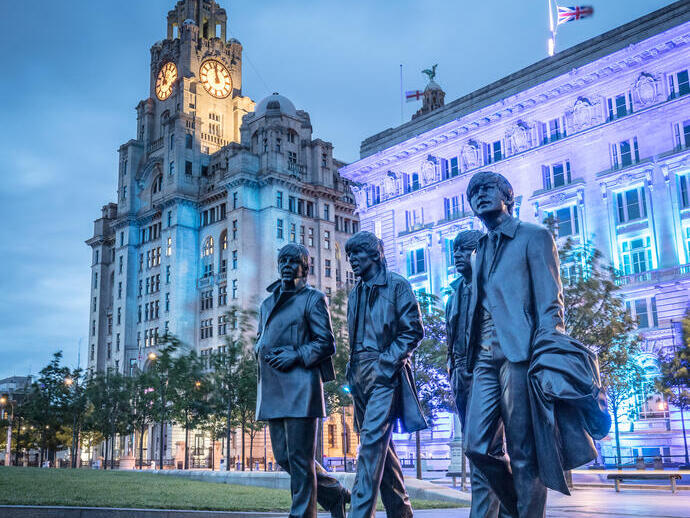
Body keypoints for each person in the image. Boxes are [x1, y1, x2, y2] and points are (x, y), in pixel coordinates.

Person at [463, 170, 555, 518]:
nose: (480, 196)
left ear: (508, 196)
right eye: (473, 193)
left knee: (523, 449)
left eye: (487, 189)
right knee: (476, 444)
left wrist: (546, 354)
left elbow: (550, 304)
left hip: (521, 353)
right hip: (484, 356)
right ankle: (517, 509)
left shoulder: (534, 237)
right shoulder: (479, 251)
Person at [256, 244, 350, 518]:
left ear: (305, 267)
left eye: (293, 261)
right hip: (273, 389)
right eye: (282, 260)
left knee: (300, 460)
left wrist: (295, 355)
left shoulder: (313, 298)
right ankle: (335, 494)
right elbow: (263, 336)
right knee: (285, 458)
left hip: (300, 388)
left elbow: (326, 343)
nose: (286, 265)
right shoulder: (267, 303)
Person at [345, 231, 427, 518]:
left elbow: (413, 330)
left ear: (376, 254)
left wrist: (386, 363)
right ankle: (401, 514)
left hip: (385, 373)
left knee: (369, 445)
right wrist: (352, 373)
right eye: (350, 255)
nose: (352, 260)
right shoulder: (355, 292)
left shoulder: (397, 285)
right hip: (359, 376)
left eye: (358, 254)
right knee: (382, 447)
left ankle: (358, 514)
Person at [446, 229, 509, 518]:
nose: (456, 255)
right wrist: (453, 371)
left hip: (490, 374)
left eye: (464, 250)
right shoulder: (455, 292)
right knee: (479, 451)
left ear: (480, 251)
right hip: (461, 377)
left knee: (481, 447)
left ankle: (511, 504)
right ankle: (510, 506)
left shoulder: (495, 286)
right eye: (454, 250)